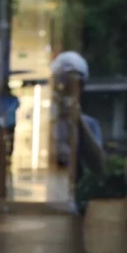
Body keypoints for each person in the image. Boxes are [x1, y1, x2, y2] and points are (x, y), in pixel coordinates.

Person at [51, 51, 105, 184]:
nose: (69, 91)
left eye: (76, 86)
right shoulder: (39, 119)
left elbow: (99, 165)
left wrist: (79, 122)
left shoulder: (89, 124)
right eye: (64, 84)